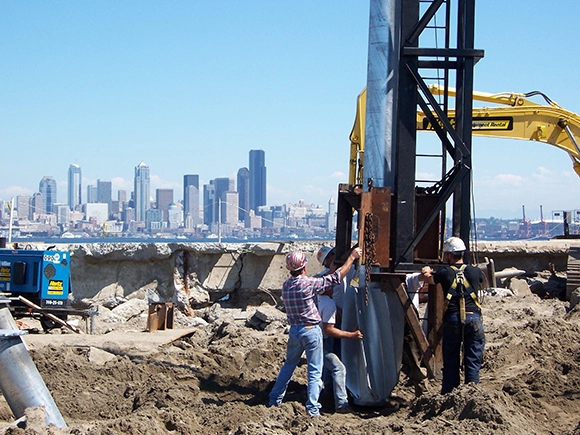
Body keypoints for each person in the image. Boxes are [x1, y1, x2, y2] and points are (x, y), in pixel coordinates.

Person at [269, 247, 362, 417]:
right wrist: (352, 258)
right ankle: (312, 409)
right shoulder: (309, 283)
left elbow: (326, 279)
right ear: (304, 267)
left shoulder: (286, 286)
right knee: (314, 371)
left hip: (294, 331)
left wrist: (333, 268)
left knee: (288, 367)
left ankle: (274, 400)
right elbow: (334, 279)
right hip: (311, 331)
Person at [422, 236, 485, 394]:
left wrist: (426, 272)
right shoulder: (474, 271)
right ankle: (472, 393)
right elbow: (481, 278)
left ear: (449, 255)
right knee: (472, 359)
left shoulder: (445, 273)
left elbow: (429, 280)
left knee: (451, 359)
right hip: (474, 319)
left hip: (453, 319)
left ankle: (449, 394)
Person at [318, 288, 363, 412]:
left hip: (310, 339)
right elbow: (329, 330)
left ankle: (328, 393)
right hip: (318, 342)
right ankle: (342, 405)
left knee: (327, 365)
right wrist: (351, 335)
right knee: (339, 368)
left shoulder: (314, 299)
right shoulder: (329, 304)